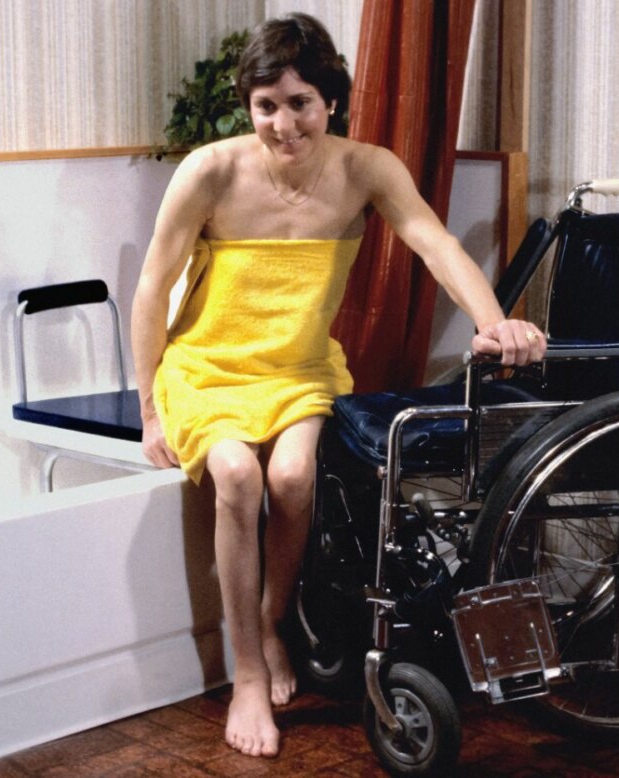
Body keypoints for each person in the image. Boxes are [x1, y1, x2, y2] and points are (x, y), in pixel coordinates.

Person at [131, 12, 545, 759]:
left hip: (298, 367)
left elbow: (433, 241)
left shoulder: (366, 168)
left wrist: (494, 322)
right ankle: (249, 671)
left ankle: (270, 618)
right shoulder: (212, 171)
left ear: (331, 102)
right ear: (247, 105)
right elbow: (152, 289)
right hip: (207, 368)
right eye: (266, 105)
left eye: (300, 104)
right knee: (235, 475)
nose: (283, 125)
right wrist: (149, 410)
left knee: (292, 477)